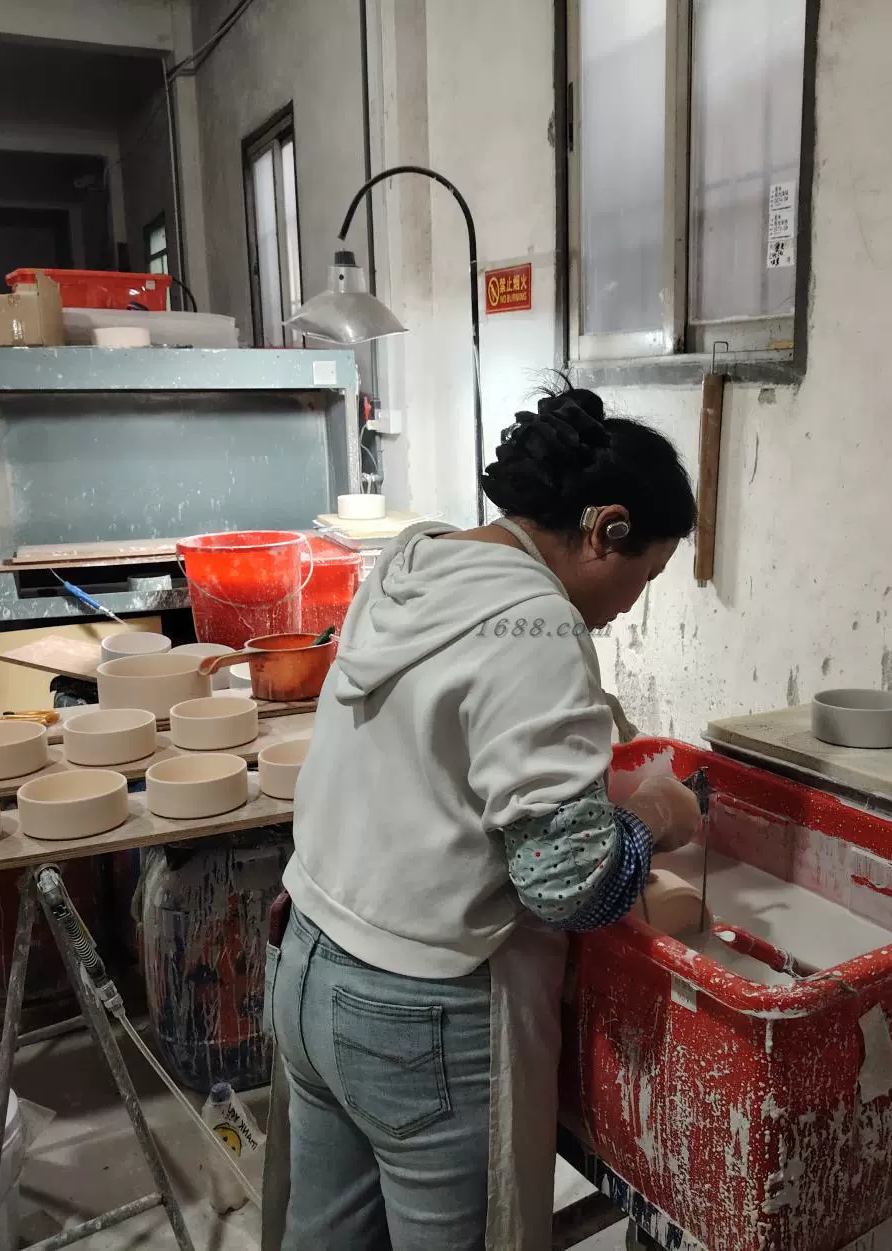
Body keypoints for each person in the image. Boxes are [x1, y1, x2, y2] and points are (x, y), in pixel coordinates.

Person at [268, 386, 702, 1249]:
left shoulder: (415, 562)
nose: (631, 604)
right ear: (605, 529)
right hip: (417, 1012)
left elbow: (437, 763)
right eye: (644, 576)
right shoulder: (536, 626)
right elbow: (566, 888)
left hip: (310, 956)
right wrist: (652, 816)